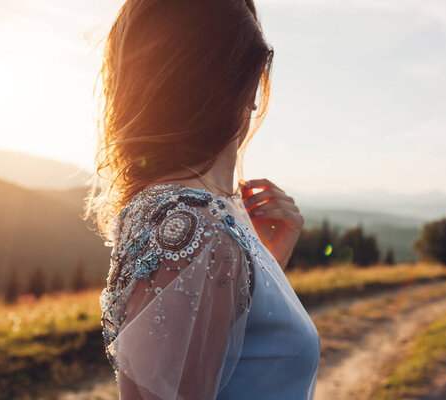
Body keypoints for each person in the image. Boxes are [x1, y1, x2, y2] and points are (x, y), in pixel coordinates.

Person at [87, 0, 321, 398]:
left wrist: (267, 261)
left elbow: (235, 356)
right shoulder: (202, 227)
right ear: (248, 82)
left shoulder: (183, 211)